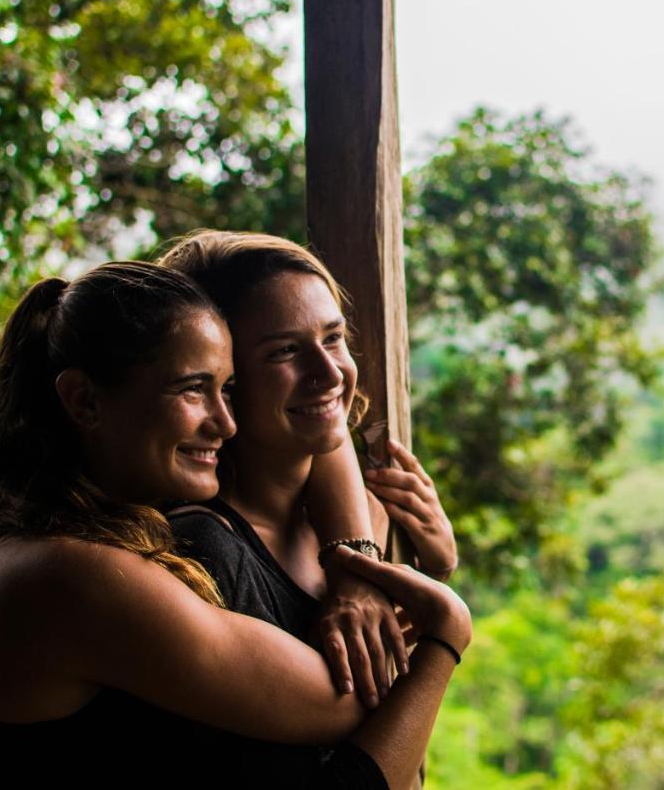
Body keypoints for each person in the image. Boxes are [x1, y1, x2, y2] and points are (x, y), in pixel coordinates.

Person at [0, 261, 470, 789]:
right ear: (84, 400)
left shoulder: (46, 538)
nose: (225, 423)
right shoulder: (67, 575)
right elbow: (352, 693)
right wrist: (440, 624)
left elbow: (323, 430)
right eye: (192, 389)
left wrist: (352, 561)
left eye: (228, 390)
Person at [158, 231, 459, 709]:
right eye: (285, 351)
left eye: (334, 338)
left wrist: (433, 572)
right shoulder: (204, 552)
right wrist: (446, 630)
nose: (331, 373)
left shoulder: (368, 517)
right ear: (222, 378)